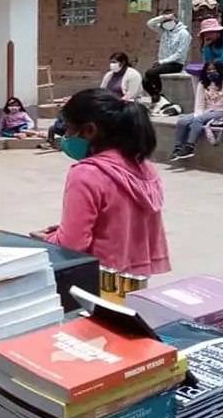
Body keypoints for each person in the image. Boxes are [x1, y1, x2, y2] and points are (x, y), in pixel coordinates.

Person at [28, 88, 170, 277]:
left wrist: (48, 239)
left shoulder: (87, 173)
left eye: (69, 130)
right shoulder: (144, 165)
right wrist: (63, 231)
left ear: (89, 130)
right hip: (135, 277)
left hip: (99, 279)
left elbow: (72, 244)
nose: (66, 138)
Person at [169, 61, 223, 161]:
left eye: (214, 70)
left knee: (198, 120)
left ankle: (189, 147)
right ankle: (178, 147)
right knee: (182, 121)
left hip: (221, 111)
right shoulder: (203, 83)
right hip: (206, 110)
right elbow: (199, 103)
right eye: (209, 70)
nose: (211, 72)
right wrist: (197, 114)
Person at [143, 13, 191, 114]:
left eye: (168, 21)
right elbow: (150, 23)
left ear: (175, 20)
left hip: (176, 63)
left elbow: (180, 54)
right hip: (163, 63)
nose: (166, 23)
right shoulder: (164, 31)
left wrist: (162, 61)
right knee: (145, 81)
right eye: (164, 22)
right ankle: (157, 98)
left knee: (150, 73)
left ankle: (161, 93)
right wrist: (163, 17)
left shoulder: (184, 33)